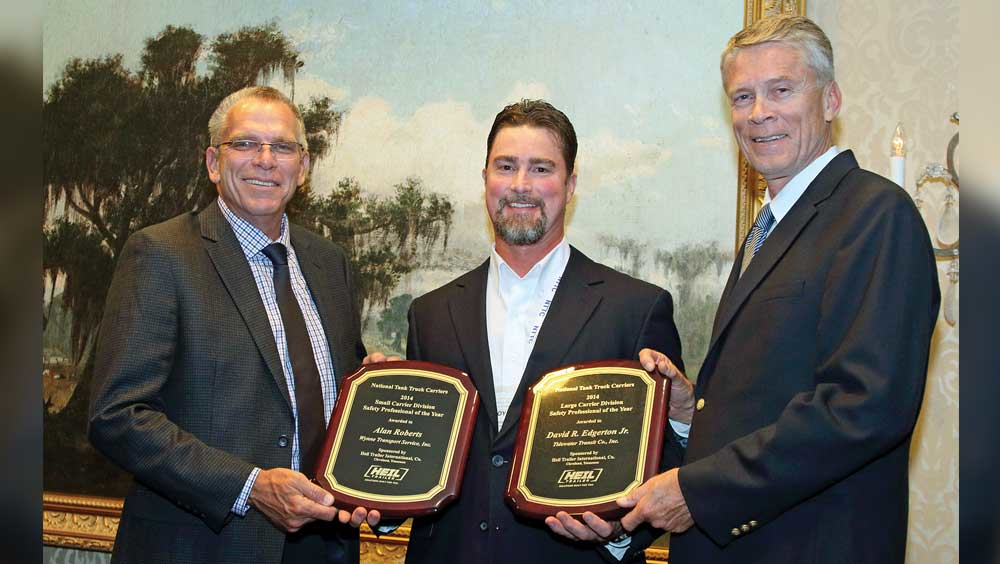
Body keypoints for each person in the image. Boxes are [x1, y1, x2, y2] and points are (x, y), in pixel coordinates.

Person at [615, 16, 940, 564]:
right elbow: (772, 394)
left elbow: (862, 407)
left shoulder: (877, 215)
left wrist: (699, 491)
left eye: (781, 90)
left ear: (831, 99)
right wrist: (692, 412)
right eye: (742, 97)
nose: (758, 113)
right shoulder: (769, 228)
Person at [89, 86, 376, 564]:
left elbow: (330, 392)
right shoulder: (160, 254)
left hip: (326, 547)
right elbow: (118, 416)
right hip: (203, 546)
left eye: (282, 147)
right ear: (212, 163)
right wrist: (249, 486)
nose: (265, 160)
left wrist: (375, 384)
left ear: (302, 168)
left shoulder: (330, 263)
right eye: (244, 144)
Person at [401, 99, 686, 564]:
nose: (520, 185)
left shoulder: (635, 308)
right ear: (485, 179)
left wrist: (618, 531)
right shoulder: (429, 314)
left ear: (570, 185)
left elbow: (669, 458)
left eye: (541, 168)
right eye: (506, 166)